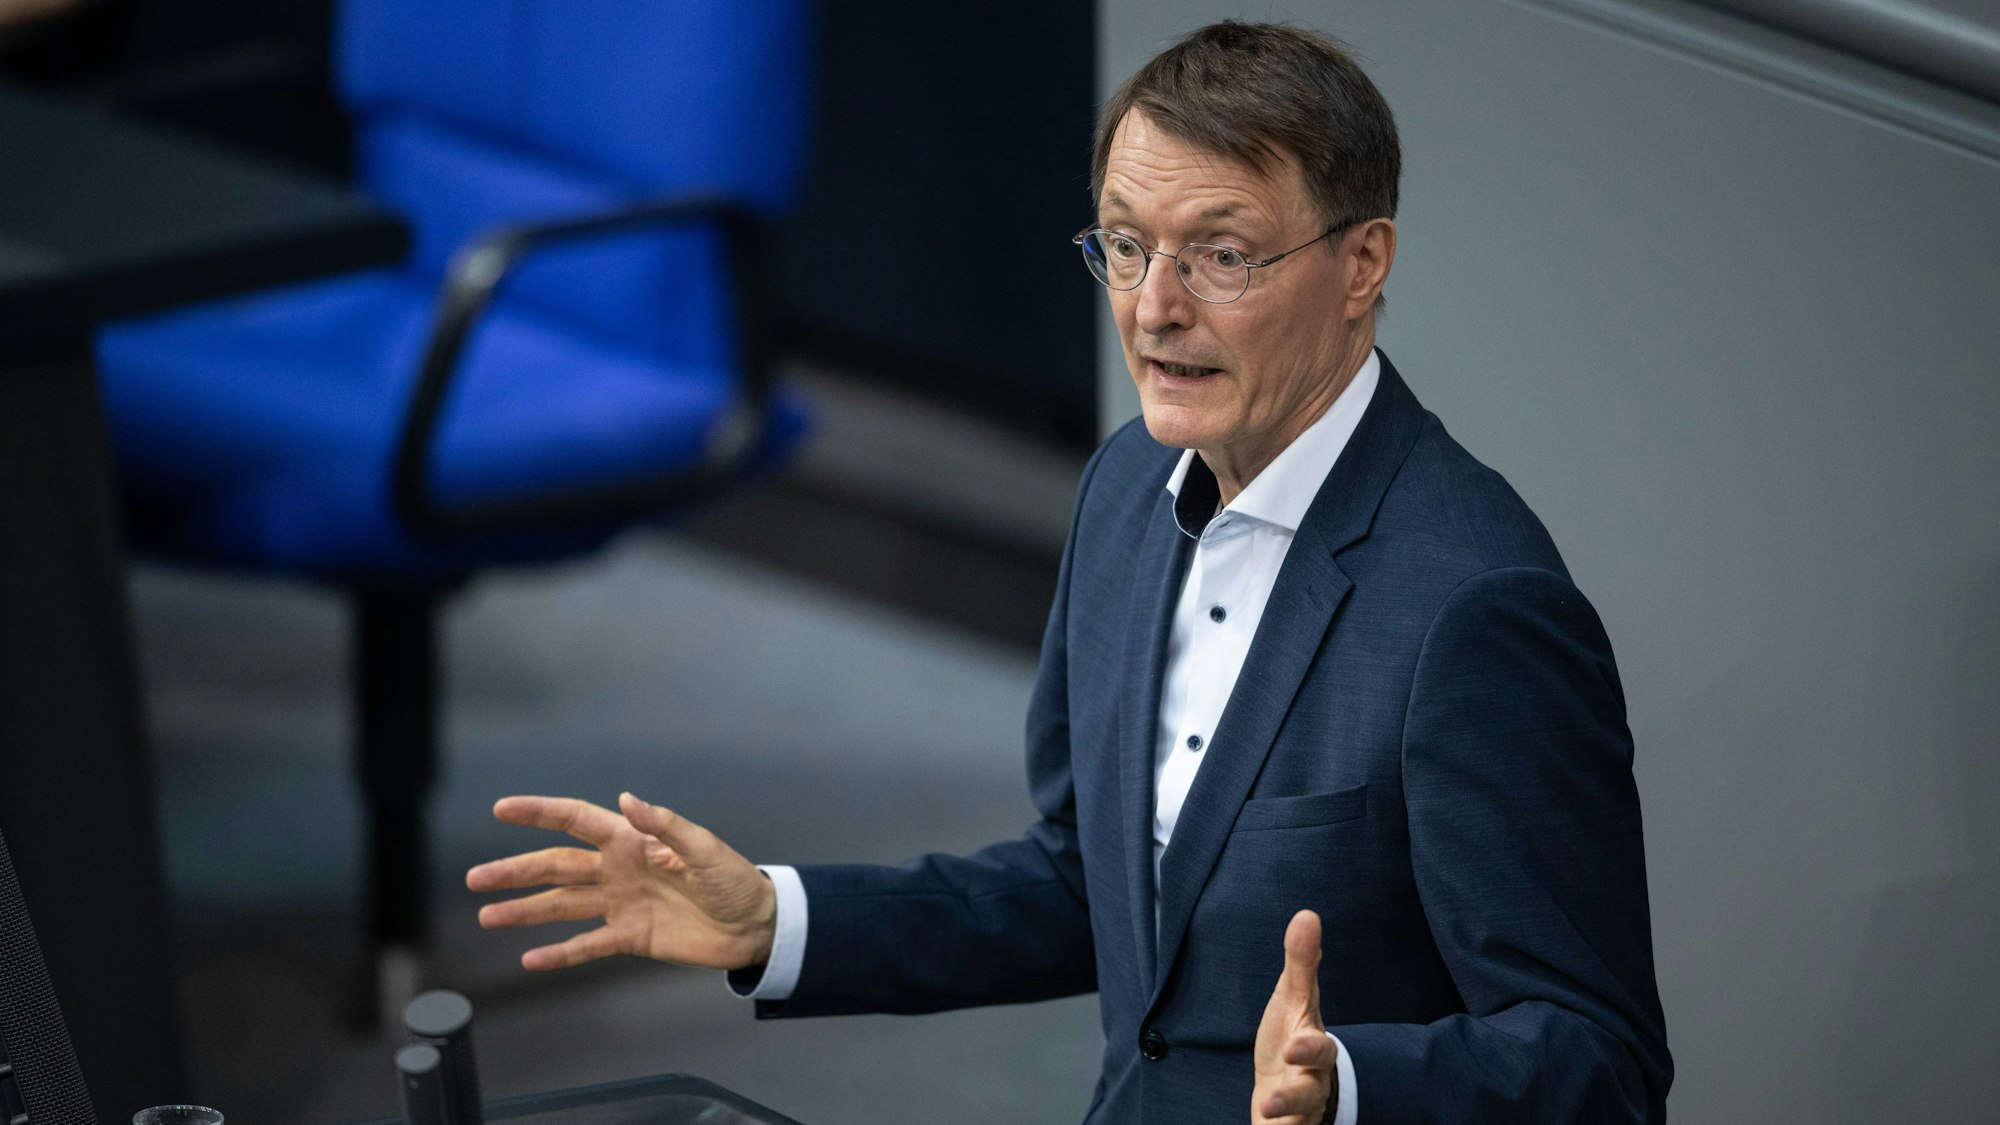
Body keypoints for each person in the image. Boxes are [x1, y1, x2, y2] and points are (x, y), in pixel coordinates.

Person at [466, 20, 1672, 1124]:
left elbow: (1598, 1059)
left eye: (1222, 257)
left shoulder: (1474, 609)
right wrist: (777, 921)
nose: (1153, 310)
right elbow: (1086, 885)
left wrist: (1351, 1086)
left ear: (1360, 266)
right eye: (1127, 248)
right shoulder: (1123, 495)